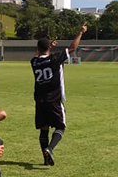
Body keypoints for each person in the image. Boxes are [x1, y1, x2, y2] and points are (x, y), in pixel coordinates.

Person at [31, 23, 88, 166]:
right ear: (49, 47)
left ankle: (45, 158)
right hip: (54, 99)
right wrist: (80, 32)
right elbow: (72, 48)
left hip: (40, 100)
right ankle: (50, 149)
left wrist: (48, 47)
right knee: (61, 127)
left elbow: (40, 54)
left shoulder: (34, 62)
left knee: (44, 129)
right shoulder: (55, 59)